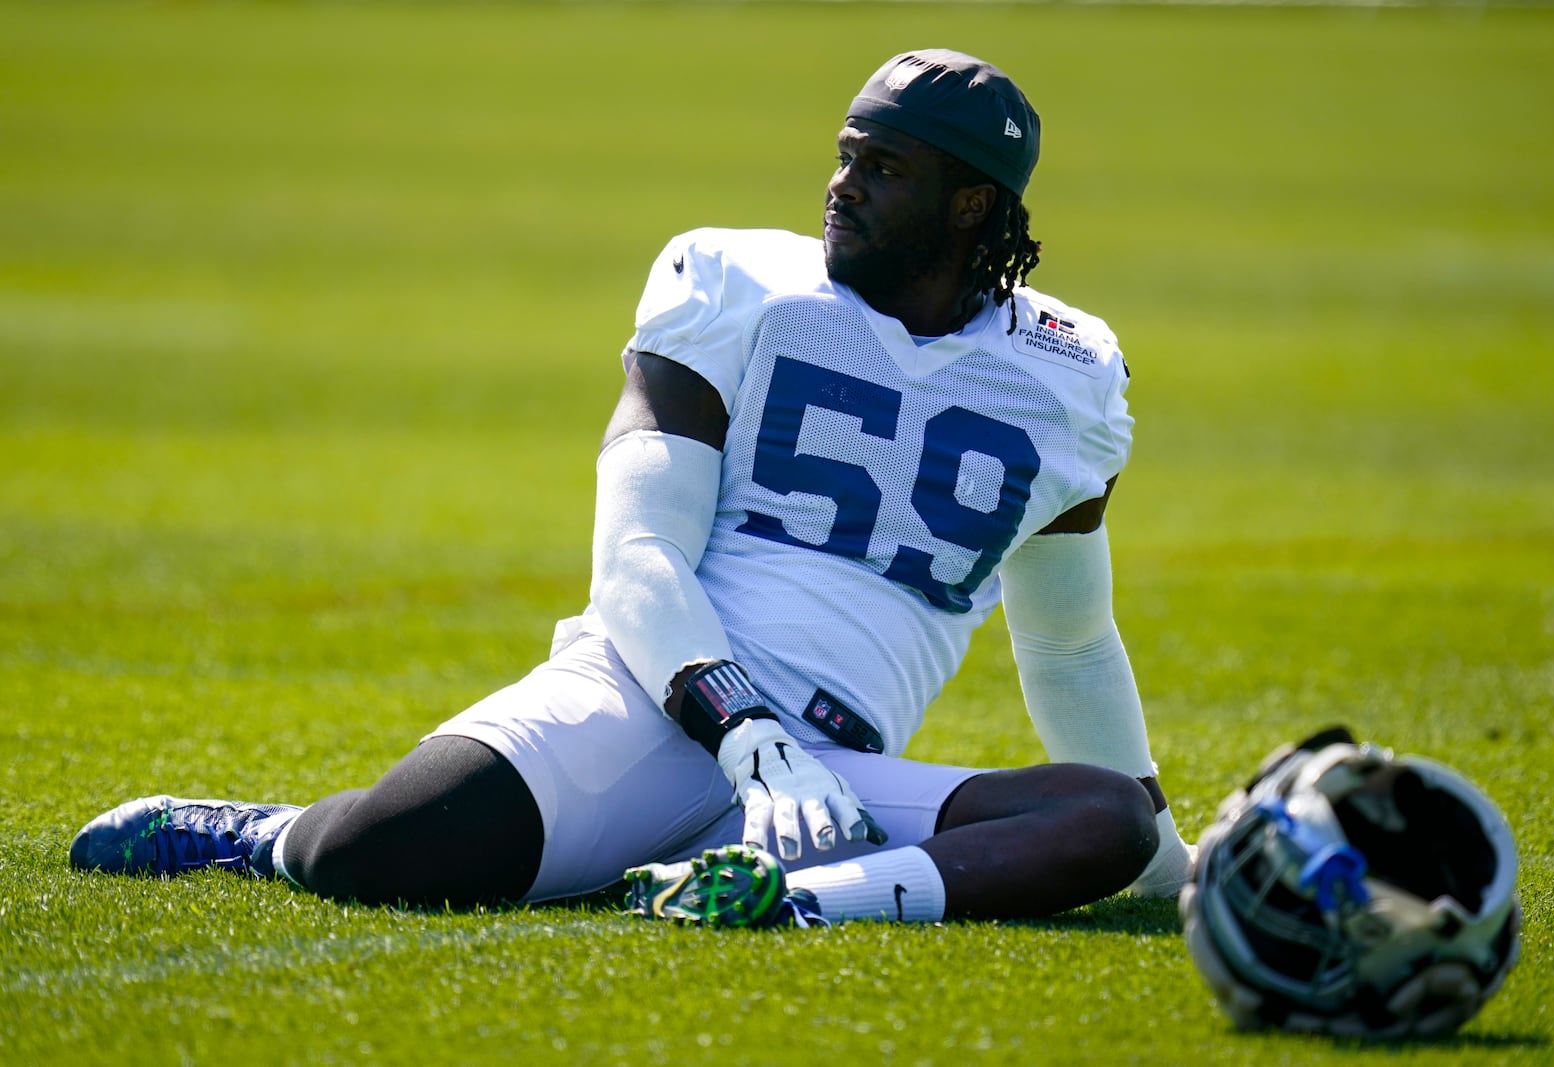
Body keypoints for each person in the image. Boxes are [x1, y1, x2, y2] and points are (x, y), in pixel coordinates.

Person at [70, 49, 1195, 926]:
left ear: (969, 207)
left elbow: (1068, 644)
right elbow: (638, 557)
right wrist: (748, 733)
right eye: (846, 154)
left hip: (835, 780)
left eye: (883, 169)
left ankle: (786, 899)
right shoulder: (737, 281)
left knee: (1106, 819)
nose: (840, 189)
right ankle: (255, 833)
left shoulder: (1067, 371)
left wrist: (1169, 860)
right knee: (378, 858)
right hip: (654, 705)